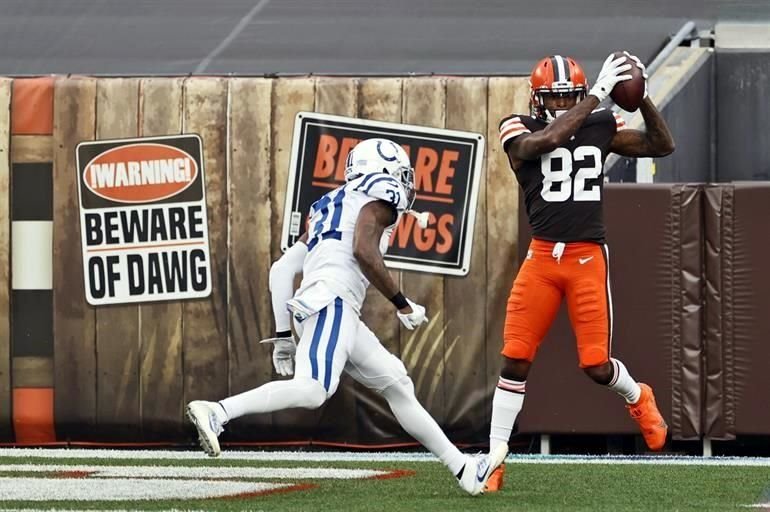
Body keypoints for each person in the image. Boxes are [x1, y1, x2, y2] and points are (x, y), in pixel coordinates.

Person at [187, 137, 507, 496]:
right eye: (400, 175)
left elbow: (280, 271)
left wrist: (282, 336)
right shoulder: (379, 199)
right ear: (383, 173)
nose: (404, 183)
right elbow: (363, 251)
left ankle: (464, 469)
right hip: (332, 303)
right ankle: (217, 411)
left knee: (396, 383)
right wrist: (402, 303)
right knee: (313, 390)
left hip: (323, 305)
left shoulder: (328, 205)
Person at [485, 53, 675, 492]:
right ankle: (494, 457)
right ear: (536, 100)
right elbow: (544, 142)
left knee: (594, 364)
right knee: (515, 356)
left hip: (587, 256)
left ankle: (637, 395)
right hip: (542, 256)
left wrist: (641, 97)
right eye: (554, 98)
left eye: (567, 97)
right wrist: (591, 99)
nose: (559, 105)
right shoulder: (519, 127)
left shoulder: (599, 124)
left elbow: (661, 145)